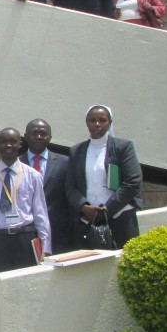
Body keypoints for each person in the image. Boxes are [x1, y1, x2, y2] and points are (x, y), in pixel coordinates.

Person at [65, 105, 143, 249]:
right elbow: (70, 187)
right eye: (92, 120)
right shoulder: (76, 151)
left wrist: (107, 209)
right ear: (86, 122)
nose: (97, 124)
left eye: (102, 120)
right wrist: (84, 207)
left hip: (120, 216)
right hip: (88, 218)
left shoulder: (123, 147)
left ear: (110, 123)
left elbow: (133, 181)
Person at [0, 128, 50, 274]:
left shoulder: (33, 175)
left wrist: (46, 246)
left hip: (25, 237)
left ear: (20, 144)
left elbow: (40, 213)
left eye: (13, 142)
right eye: (4, 142)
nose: (8, 145)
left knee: (26, 284)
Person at [21, 119, 72, 255]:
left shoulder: (65, 163)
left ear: (50, 137)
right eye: (34, 133)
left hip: (59, 232)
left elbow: (70, 194)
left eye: (43, 134)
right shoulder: (17, 164)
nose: (38, 137)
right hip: (27, 231)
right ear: (25, 136)